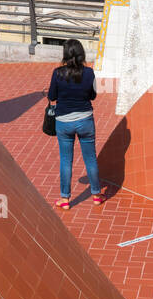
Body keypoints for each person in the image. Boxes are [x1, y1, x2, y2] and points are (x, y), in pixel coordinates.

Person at [46, 39, 108, 209]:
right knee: (90, 158)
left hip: (64, 122)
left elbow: (52, 96)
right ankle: (96, 194)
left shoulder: (57, 73)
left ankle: (65, 199)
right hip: (85, 120)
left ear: (65, 54)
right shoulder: (89, 73)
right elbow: (93, 96)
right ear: (81, 54)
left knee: (66, 160)